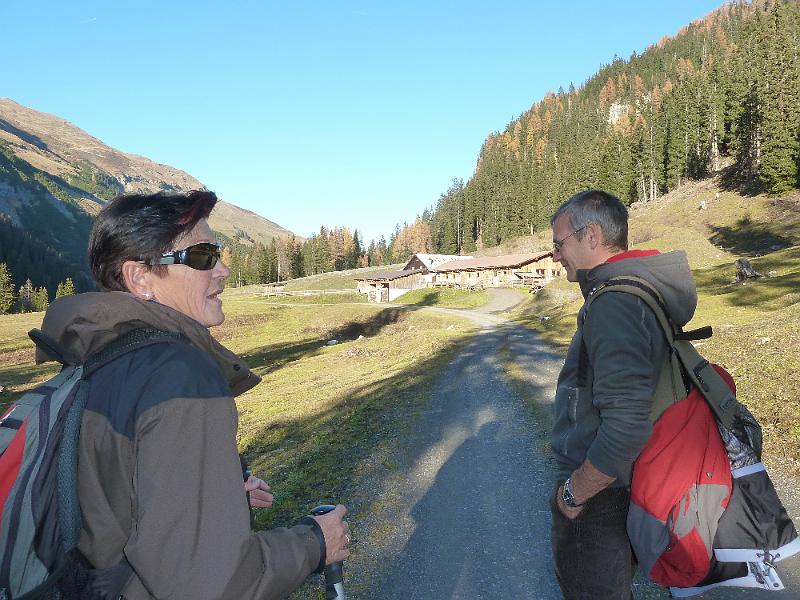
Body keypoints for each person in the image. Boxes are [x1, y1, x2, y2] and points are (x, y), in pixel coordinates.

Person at [37, 190, 349, 599]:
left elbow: (108, 502)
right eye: (203, 257)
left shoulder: (94, 362)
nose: (222, 271)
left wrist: (209, 501)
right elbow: (209, 584)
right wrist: (314, 543)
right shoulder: (178, 375)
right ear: (140, 278)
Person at [548, 189, 697, 599]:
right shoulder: (628, 292)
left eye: (559, 244)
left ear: (591, 235)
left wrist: (573, 492)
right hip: (626, 480)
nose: (556, 256)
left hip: (603, 489)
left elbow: (626, 424)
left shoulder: (615, 303)